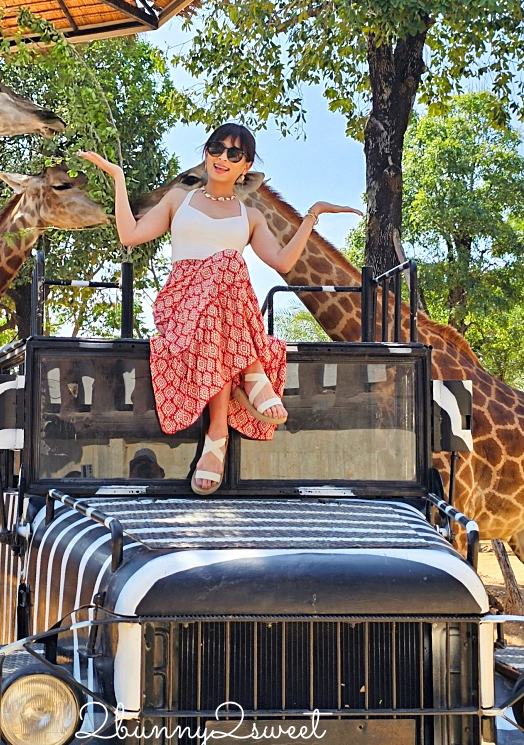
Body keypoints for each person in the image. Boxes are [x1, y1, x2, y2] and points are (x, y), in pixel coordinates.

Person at [79, 125, 359, 495]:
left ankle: (217, 436)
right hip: (180, 306)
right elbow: (129, 235)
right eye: (217, 148)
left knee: (227, 270)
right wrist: (117, 177)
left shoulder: (250, 216)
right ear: (206, 152)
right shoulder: (180, 199)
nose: (223, 158)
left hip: (222, 320)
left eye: (234, 154)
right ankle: (254, 375)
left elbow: (284, 263)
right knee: (228, 262)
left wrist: (312, 215)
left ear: (246, 167)